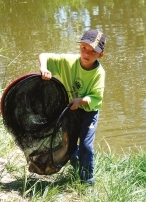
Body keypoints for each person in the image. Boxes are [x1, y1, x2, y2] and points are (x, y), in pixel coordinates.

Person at [39, 29, 106, 185]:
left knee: (86, 146)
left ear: (100, 55)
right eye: (84, 47)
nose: (86, 53)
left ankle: (87, 181)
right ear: (80, 47)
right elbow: (44, 56)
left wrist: (80, 101)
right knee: (68, 144)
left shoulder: (99, 73)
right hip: (70, 110)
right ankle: (77, 167)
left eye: (92, 51)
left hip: (88, 111)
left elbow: (96, 98)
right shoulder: (69, 61)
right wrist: (44, 68)